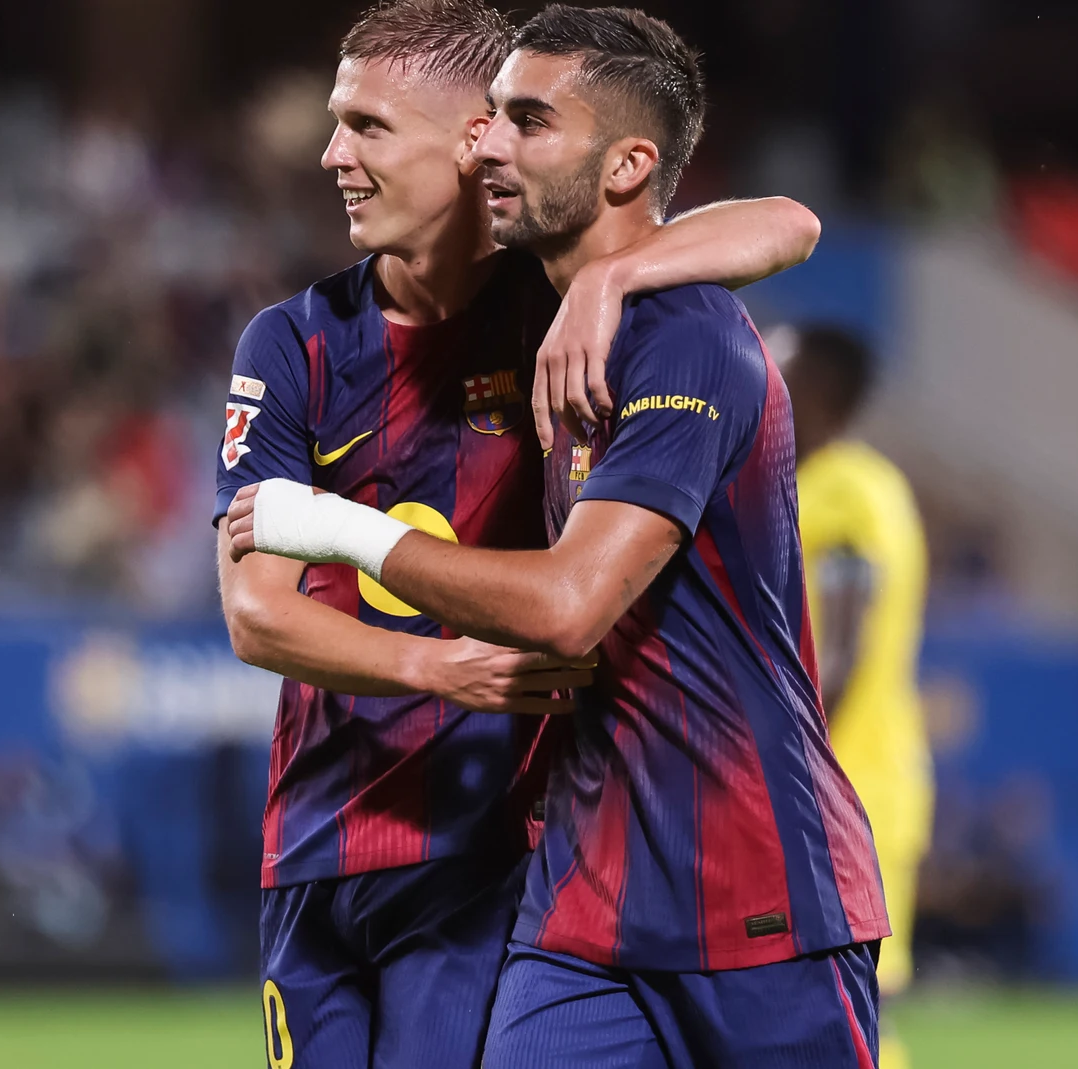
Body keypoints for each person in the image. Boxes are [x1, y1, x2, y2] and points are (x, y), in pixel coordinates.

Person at [226, 7, 886, 1066]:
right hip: (576, 900)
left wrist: (615, 278)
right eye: (492, 118)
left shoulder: (670, 332)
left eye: (521, 120)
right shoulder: (308, 337)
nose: (492, 141)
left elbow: (790, 222)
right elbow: (251, 607)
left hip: (755, 887)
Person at [787, 324, 932, 1069]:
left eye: (784, 368)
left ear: (822, 389)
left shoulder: (844, 488)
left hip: (848, 777)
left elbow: (842, 645)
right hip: (855, 772)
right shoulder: (864, 482)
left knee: (854, 1003)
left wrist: (791, 755)